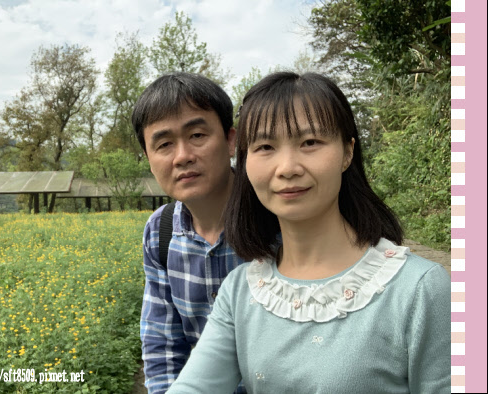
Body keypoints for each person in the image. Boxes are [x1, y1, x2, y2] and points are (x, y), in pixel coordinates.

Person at [167, 72, 451, 393]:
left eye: (310, 142)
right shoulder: (240, 292)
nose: (287, 167)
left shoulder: (419, 290)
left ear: (347, 152)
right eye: (265, 146)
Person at [132, 72, 247, 394]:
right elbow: (162, 344)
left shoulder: (277, 216)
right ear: (148, 158)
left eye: (197, 135)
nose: (182, 156)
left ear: (230, 140)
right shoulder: (160, 231)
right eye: (165, 144)